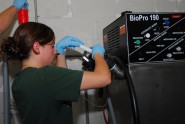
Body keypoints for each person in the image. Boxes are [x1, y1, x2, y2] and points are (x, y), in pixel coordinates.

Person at [0, 22, 111, 124]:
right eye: (52, 46)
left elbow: (58, 86)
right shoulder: (46, 75)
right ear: (37, 47)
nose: (54, 51)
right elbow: (104, 78)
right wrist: (98, 55)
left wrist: (60, 53)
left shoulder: (20, 80)